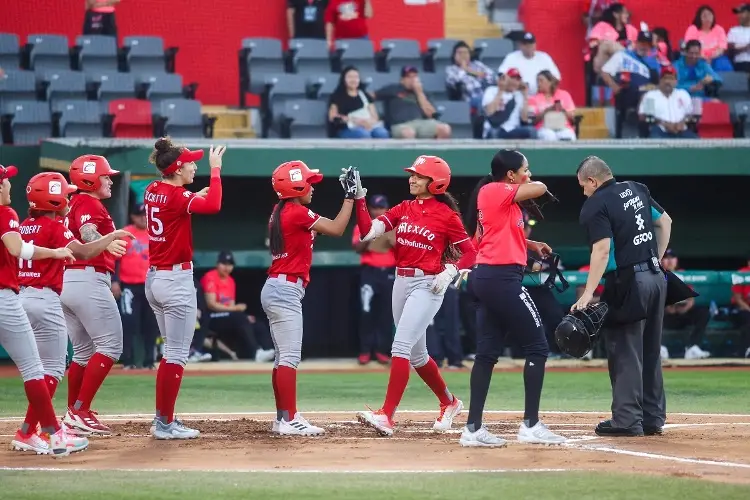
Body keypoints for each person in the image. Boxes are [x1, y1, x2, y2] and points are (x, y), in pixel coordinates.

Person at [353, 155, 477, 437]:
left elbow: (471, 252)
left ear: (436, 183)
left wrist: (451, 271)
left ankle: (386, 415)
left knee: (400, 347)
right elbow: (367, 233)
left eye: (419, 176)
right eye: (413, 174)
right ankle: (450, 402)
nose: (412, 178)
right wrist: (360, 199)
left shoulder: (447, 215)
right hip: (401, 280)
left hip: (428, 284)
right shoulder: (404, 207)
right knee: (418, 355)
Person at [458, 149, 566, 447]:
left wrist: (529, 244)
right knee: (538, 346)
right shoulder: (494, 190)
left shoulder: (502, 200)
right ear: (510, 174)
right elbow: (540, 188)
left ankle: (473, 429)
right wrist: (535, 185)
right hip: (500, 279)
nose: (528, 173)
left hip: (490, 277)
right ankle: (531, 425)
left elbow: (489, 236)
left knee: (487, 353)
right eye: (524, 169)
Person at [17, 172, 132, 449]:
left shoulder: (23, 225)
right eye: (64, 195)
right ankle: (58, 423)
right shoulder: (60, 223)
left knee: (48, 365)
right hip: (50, 294)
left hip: (24, 294)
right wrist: (110, 237)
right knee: (66, 363)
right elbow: (82, 249)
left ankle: (37, 428)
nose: (69, 197)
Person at [573, 155, 671, 437]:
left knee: (625, 350)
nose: (584, 192)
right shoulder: (637, 189)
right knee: (650, 350)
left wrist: (588, 293)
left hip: (628, 282)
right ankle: (652, 418)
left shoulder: (595, 204)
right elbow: (665, 222)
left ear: (592, 180)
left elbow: (602, 250)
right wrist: (655, 260)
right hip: (655, 277)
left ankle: (627, 420)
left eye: (583, 186)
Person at [262, 160, 356, 436]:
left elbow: (307, 235)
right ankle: (289, 418)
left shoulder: (282, 211)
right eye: (309, 182)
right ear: (296, 186)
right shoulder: (296, 212)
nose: (312, 187)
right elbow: (338, 229)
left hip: (278, 287)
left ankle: (283, 418)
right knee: (289, 357)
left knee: (282, 358)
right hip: (285, 289)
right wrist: (350, 197)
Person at [0, 164, 86, 457]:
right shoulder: (8, 215)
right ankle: (54, 434)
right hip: (18, 299)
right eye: (6, 181)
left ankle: (32, 432)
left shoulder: (21, 220)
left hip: (20, 295)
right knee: (39, 369)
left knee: (38, 368)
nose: (10, 186)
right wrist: (55, 252)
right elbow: (17, 249)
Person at [144, 138, 226, 440]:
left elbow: (176, 201)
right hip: (174, 282)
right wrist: (215, 172)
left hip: (155, 279)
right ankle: (164, 423)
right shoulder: (178, 196)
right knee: (177, 354)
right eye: (190, 162)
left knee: (170, 353)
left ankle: (162, 418)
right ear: (177, 169)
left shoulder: (154, 190)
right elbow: (213, 205)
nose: (195, 165)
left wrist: (194, 194)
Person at [61, 154, 125, 437]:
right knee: (111, 346)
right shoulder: (88, 201)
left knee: (84, 352)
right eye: (105, 175)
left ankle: (73, 412)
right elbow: (88, 233)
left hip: (67, 281)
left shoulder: (74, 201)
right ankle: (80, 410)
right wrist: (106, 242)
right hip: (87, 278)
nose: (110, 179)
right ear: (90, 179)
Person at [201, 250, 275, 362]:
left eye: (229, 264)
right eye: (223, 264)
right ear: (217, 264)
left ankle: (269, 352)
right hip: (209, 317)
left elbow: (231, 308)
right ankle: (256, 352)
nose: (227, 267)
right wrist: (236, 310)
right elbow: (211, 304)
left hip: (226, 316)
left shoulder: (230, 281)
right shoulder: (210, 277)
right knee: (239, 317)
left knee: (256, 323)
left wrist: (242, 314)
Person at [116, 203, 160, 370]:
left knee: (151, 324)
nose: (144, 218)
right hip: (129, 285)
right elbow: (115, 259)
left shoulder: (155, 234)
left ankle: (150, 361)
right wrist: (115, 281)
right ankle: (128, 361)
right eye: (140, 215)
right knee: (129, 322)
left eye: (146, 215)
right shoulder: (125, 234)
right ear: (133, 217)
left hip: (151, 285)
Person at [353, 194, 396, 365]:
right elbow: (357, 248)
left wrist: (393, 241)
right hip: (370, 272)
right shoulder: (364, 226)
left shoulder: (394, 226)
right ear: (370, 209)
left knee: (386, 313)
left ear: (386, 208)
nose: (379, 211)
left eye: (382, 207)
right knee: (366, 311)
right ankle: (365, 350)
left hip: (390, 273)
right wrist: (368, 236)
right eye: (376, 207)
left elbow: (403, 250)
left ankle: (382, 350)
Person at [328, 66, 389, 139]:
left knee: (382, 133)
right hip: (346, 128)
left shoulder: (365, 95)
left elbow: (374, 116)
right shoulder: (336, 96)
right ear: (344, 79)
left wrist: (368, 123)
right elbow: (332, 117)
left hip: (367, 126)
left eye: (356, 77)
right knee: (363, 134)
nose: (353, 80)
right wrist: (355, 120)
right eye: (350, 77)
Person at [528, 70, 578, 141]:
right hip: (543, 128)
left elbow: (572, 117)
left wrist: (562, 110)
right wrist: (547, 111)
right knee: (549, 136)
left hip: (563, 127)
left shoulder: (564, 95)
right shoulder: (533, 99)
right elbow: (532, 121)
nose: (538, 84)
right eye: (537, 81)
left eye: (541, 81)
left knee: (568, 135)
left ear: (550, 82)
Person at [445, 40, 495, 109]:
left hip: (486, 94)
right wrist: (463, 69)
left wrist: (469, 70)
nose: (463, 55)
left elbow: (491, 76)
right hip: (469, 100)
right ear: (454, 56)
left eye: (465, 53)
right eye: (460, 53)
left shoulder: (477, 64)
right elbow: (455, 82)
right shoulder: (451, 69)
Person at [683, 5, 734, 71]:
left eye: (710, 15)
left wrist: (711, 57)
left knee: (723, 64)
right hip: (697, 56)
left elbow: (722, 47)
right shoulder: (692, 29)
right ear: (699, 18)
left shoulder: (719, 29)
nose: (707, 18)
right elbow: (691, 46)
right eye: (704, 16)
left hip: (716, 57)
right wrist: (704, 57)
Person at [728, 4, 750, 73]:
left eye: (741, 13)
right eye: (738, 13)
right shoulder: (734, 31)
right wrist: (746, 47)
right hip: (740, 64)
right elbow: (730, 51)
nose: (738, 16)